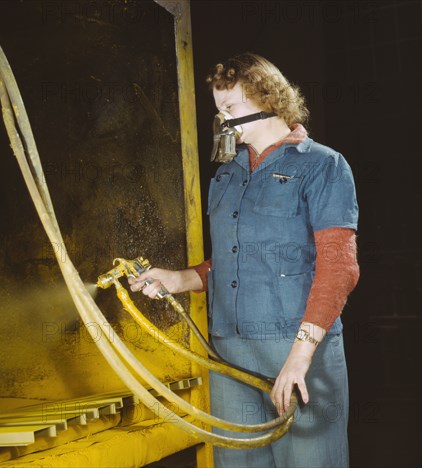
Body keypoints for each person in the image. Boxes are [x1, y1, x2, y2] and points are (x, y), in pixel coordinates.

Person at [129, 53, 359, 467]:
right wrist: (177, 280)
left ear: (269, 100)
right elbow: (231, 262)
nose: (222, 120)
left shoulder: (322, 166)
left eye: (230, 109)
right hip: (231, 355)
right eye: (218, 110)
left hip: (296, 352)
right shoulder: (227, 175)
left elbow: (339, 269)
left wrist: (300, 358)